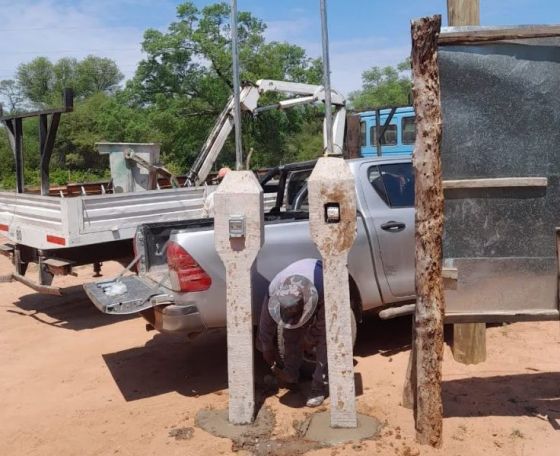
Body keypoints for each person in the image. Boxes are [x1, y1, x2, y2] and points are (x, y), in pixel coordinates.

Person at [257, 258, 327, 407]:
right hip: (303, 289)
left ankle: (318, 387)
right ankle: (291, 376)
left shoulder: (323, 287)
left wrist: (310, 338)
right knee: (290, 334)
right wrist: (266, 347)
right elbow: (266, 324)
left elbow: (323, 323)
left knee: (324, 340)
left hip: (322, 279)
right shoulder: (274, 290)